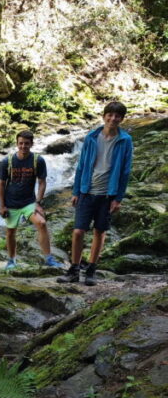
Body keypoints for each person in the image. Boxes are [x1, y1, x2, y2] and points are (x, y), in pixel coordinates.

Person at [57, 100, 132, 286]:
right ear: (104, 116)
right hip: (86, 191)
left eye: (117, 116)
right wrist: (76, 191)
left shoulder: (125, 140)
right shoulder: (91, 137)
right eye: (110, 115)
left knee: (100, 231)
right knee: (78, 231)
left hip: (107, 194)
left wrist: (118, 198)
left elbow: (125, 171)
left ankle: (91, 269)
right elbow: (81, 165)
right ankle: (74, 269)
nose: (113, 119)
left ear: (121, 119)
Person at [0, 129, 65, 271]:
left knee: (42, 223)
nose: (23, 146)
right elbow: (1, 184)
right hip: (11, 204)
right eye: (21, 143)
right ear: (17, 144)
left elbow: (42, 182)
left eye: (26, 143)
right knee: (10, 232)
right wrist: (2, 206)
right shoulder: (7, 161)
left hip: (29, 202)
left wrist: (38, 202)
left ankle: (49, 259)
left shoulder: (37, 160)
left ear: (32, 144)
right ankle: (11, 260)